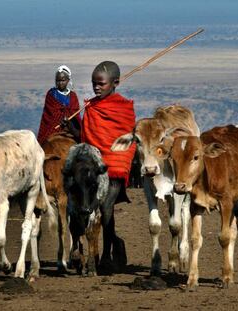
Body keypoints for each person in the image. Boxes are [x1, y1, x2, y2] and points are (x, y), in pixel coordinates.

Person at [81, 61, 136, 271]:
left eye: (101, 84)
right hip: (94, 164)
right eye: (94, 83)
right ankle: (114, 243)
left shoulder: (123, 107)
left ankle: (106, 255)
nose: (96, 87)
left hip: (115, 164)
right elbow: (87, 138)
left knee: (105, 207)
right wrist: (73, 126)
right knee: (95, 208)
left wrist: (115, 157)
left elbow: (127, 137)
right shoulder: (90, 106)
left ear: (115, 83)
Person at [37, 65, 81, 145]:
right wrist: (60, 118)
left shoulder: (73, 96)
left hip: (70, 128)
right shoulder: (51, 94)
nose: (60, 83)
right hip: (53, 128)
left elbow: (76, 115)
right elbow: (49, 115)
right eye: (58, 80)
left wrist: (68, 121)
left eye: (63, 80)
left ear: (68, 80)